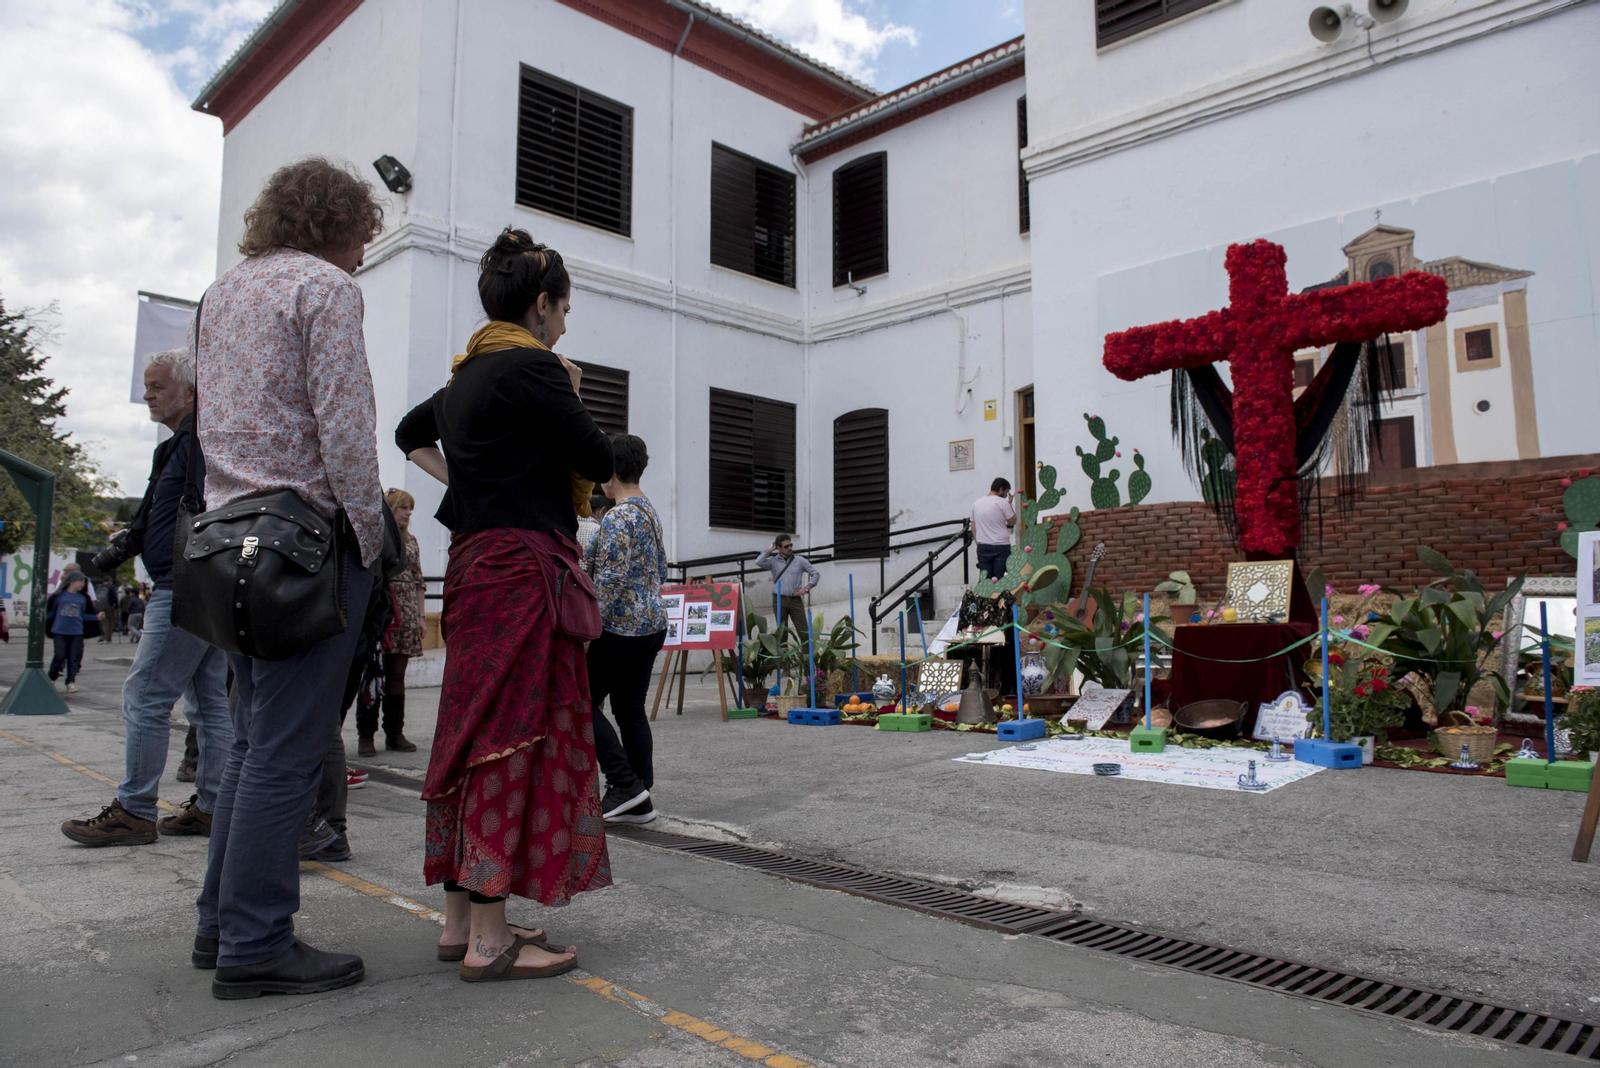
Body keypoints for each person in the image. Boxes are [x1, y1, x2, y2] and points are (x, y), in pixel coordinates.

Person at [188, 157, 386, 1000]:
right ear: (340, 225)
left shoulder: (222, 294)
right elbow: (344, 426)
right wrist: (374, 538)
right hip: (306, 541)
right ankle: (258, 941)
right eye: (363, 238)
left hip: (232, 538)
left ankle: (220, 926)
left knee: (246, 745)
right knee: (287, 752)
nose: (365, 256)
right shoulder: (325, 289)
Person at [399, 226, 612, 981]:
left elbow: (407, 435)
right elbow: (598, 459)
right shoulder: (536, 368)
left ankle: (461, 920)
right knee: (511, 732)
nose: (567, 322)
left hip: (472, 565)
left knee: (469, 727)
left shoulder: (463, 378)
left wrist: (464, 484)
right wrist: (574, 389)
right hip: (525, 567)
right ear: (543, 305)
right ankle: (491, 940)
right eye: (564, 306)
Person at [60, 348, 237, 849]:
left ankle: (135, 810)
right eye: (147, 386)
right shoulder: (182, 445)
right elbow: (148, 521)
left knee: (146, 695)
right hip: (199, 583)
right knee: (207, 703)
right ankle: (210, 806)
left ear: (187, 391)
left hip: (184, 584)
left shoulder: (198, 441)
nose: (147, 395)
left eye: (157, 386)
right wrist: (111, 555)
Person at [586, 434, 668, 826]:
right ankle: (640, 795)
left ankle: (625, 786)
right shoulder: (648, 510)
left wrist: (589, 626)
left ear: (609, 473)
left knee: (577, 702)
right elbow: (662, 568)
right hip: (651, 623)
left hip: (620, 627)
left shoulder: (618, 515)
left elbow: (611, 578)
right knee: (631, 710)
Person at [357, 488, 423, 756]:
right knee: (371, 675)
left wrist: (420, 616)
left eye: (410, 509)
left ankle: (395, 733)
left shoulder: (412, 542)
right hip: (381, 611)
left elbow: (419, 581)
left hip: (405, 615)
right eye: (402, 508)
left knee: (397, 676)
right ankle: (366, 736)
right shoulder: (376, 540)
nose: (407, 513)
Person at [754, 535, 818, 645]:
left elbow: (815, 574)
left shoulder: (800, 560)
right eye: (786, 546)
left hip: (795, 600)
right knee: (782, 634)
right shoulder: (773, 561)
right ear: (778, 548)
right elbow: (758, 561)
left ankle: (807, 661)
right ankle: (784, 661)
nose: (790, 548)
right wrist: (769, 549)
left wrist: (806, 589)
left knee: (804, 632)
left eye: (791, 545)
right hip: (779, 600)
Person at [45, 571, 95, 691]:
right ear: (72, 581)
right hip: (60, 631)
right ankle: (51, 677)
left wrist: (96, 617)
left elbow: (82, 615)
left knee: (74, 658)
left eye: (84, 582)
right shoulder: (59, 596)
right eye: (80, 581)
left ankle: (70, 681)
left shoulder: (83, 598)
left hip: (77, 633)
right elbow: (51, 612)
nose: (82, 584)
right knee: (59, 655)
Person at [971, 477, 1017, 581]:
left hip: (983, 546)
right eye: (1006, 492)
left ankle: (986, 597)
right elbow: (1012, 521)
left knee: (986, 580)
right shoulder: (1002, 503)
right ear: (1001, 489)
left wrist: (978, 542)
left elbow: (973, 526)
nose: (1006, 495)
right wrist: (1010, 504)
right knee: (1000, 579)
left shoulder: (976, 503)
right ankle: (999, 597)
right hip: (1001, 546)